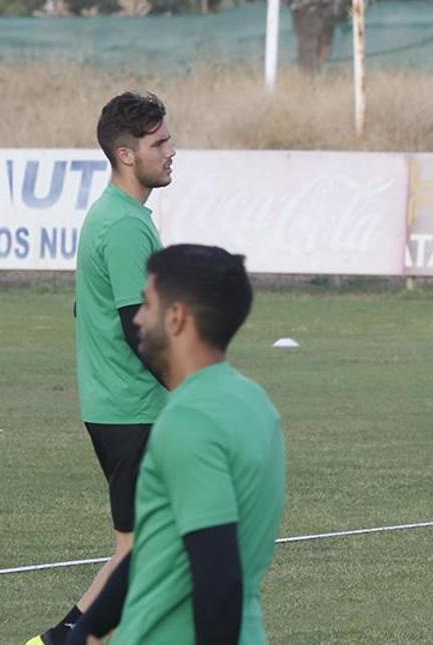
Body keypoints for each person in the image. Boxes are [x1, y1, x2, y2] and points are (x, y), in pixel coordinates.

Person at [68, 244, 287, 644]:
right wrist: (90, 627)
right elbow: (160, 544)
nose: (137, 318)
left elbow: (218, 577)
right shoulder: (254, 403)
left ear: (177, 317)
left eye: (147, 304)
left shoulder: (189, 421)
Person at [31, 92, 174, 645]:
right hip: (132, 411)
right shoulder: (122, 226)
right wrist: (195, 387)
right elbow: (139, 328)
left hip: (120, 407)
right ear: (126, 154)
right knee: (144, 554)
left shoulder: (118, 216)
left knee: (141, 550)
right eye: (158, 143)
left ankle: (59, 640)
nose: (171, 151)